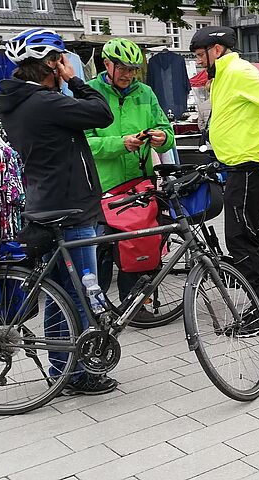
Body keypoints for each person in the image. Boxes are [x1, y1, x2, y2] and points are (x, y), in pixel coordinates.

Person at [0, 28, 116, 395]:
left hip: (46, 205)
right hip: (71, 209)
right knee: (81, 294)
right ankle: (81, 374)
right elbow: (102, 113)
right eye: (61, 60)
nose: (65, 65)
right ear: (51, 63)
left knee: (60, 295)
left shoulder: (18, 103)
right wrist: (75, 80)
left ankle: (61, 369)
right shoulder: (45, 103)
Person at [189, 25, 259, 330]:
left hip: (249, 169)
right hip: (240, 168)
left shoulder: (238, 71)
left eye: (200, 55)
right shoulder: (222, 76)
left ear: (216, 50)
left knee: (239, 238)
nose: (198, 61)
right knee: (251, 238)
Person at [85, 38, 174, 321]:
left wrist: (162, 138)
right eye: (122, 68)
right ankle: (94, 310)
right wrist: (120, 144)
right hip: (105, 185)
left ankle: (135, 305)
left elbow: (165, 131)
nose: (127, 75)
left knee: (139, 243)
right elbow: (85, 143)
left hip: (139, 182)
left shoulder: (145, 92)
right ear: (106, 64)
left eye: (133, 69)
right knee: (101, 248)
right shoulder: (89, 93)